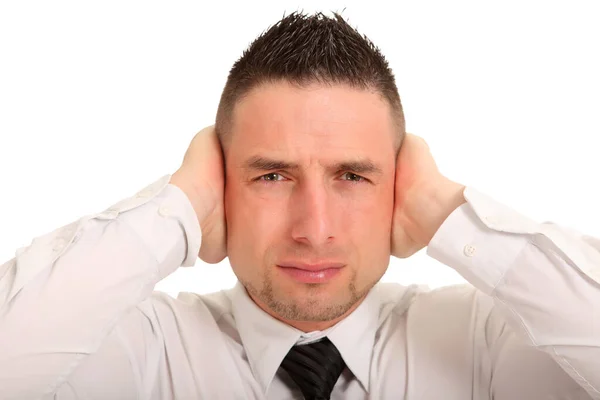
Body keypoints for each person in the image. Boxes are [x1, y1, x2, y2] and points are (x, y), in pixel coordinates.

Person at [0, 11, 599, 400]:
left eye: (353, 176)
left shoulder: (489, 340)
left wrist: (450, 214)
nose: (314, 230)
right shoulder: (140, 348)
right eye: (272, 175)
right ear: (222, 184)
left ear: (398, 185)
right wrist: (177, 209)